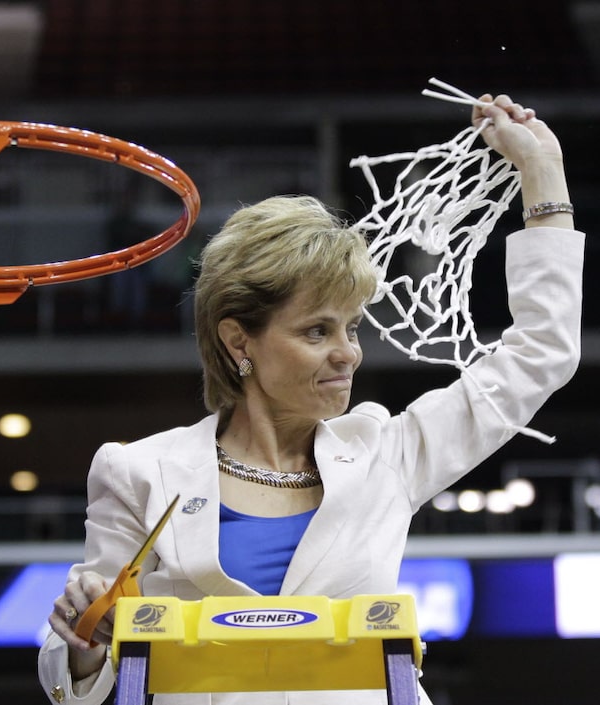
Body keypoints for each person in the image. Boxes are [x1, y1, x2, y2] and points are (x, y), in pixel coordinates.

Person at [38, 94, 583, 704]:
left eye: (351, 328)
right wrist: (84, 646)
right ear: (239, 339)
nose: (348, 352)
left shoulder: (387, 453)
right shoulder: (137, 472)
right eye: (316, 331)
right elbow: (78, 665)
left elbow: (543, 354)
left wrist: (543, 172)